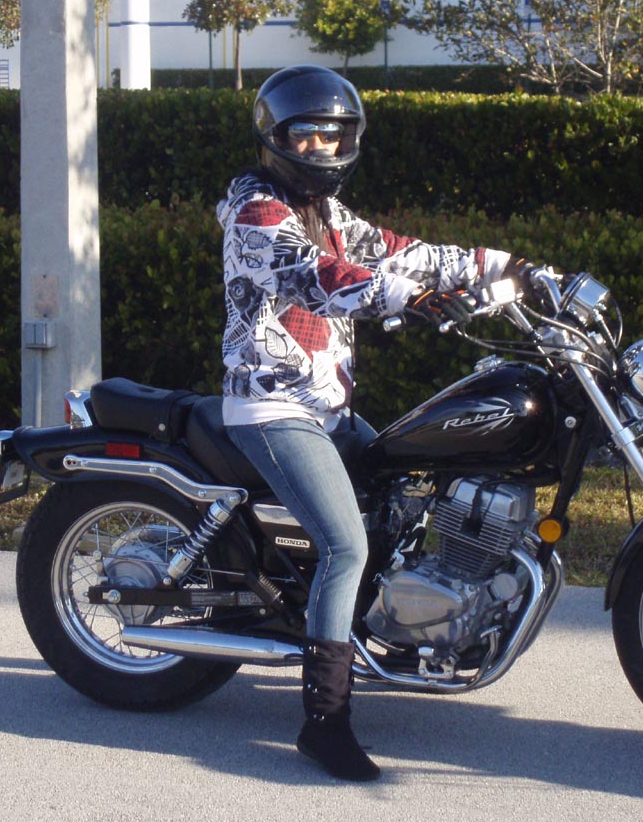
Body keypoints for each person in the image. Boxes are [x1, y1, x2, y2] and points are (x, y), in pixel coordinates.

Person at [218, 65, 533, 781]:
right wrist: (408, 299)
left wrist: (513, 268)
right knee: (346, 546)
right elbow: (317, 277)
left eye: (335, 136)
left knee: (408, 494)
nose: (323, 149)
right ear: (276, 137)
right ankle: (324, 723)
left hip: (328, 409)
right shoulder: (256, 212)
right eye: (308, 135)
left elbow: (401, 251)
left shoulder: (328, 213)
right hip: (272, 407)